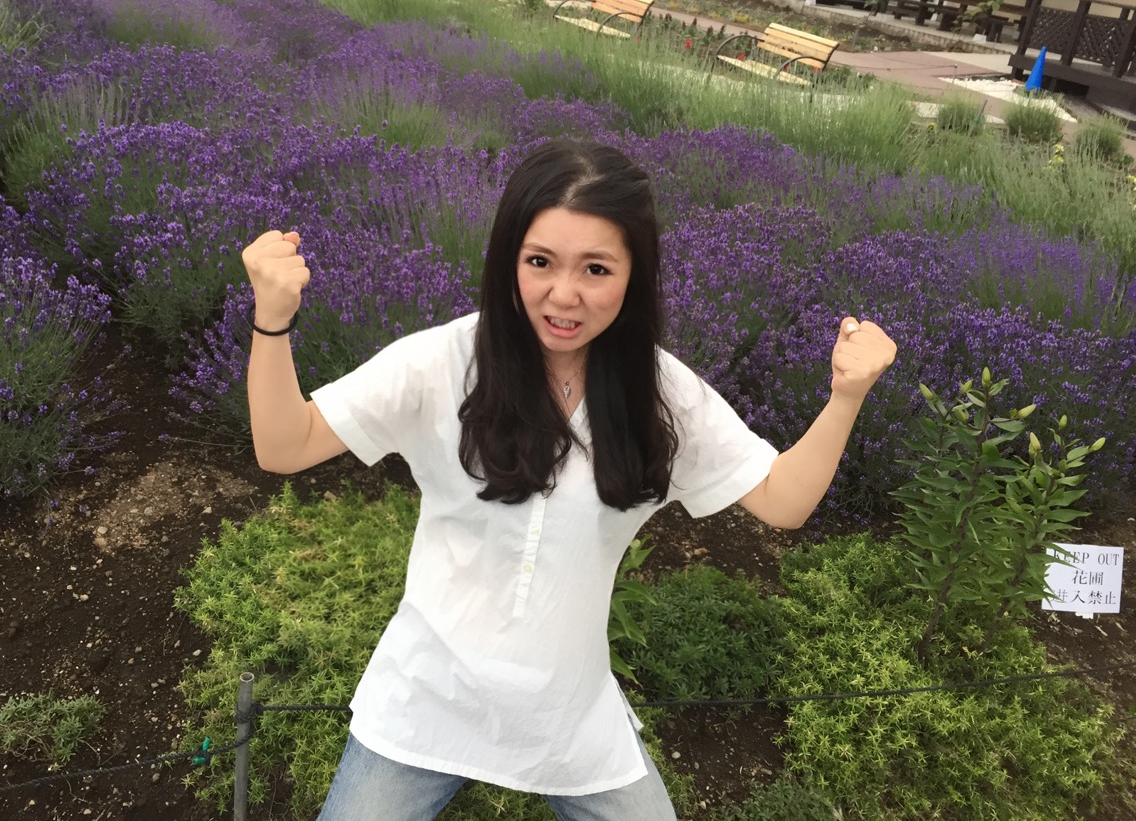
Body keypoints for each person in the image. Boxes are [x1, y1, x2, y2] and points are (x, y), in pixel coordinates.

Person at [242, 139, 897, 821]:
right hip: (427, 700)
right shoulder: (441, 364)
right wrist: (273, 321)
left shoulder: (660, 394)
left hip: (570, 714)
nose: (564, 295)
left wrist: (846, 397)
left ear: (634, 276)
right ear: (509, 260)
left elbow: (783, 500)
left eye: (596, 269)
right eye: (540, 262)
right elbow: (286, 446)